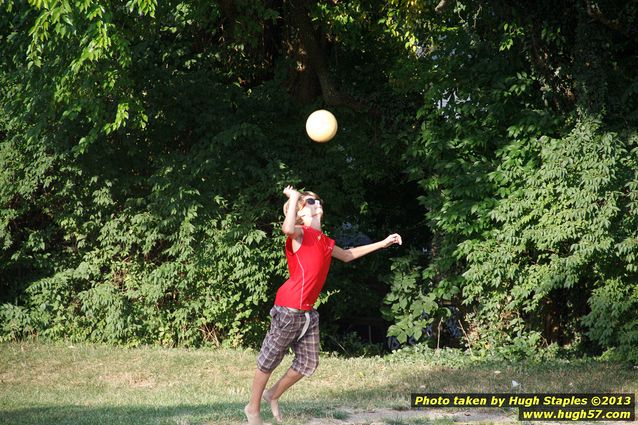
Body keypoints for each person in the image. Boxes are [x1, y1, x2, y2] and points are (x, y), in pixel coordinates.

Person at [244, 185, 402, 425]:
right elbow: (286, 228)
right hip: (288, 309)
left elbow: (348, 255)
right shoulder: (299, 233)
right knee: (270, 359)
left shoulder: (324, 241)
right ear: (300, 215)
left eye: (316, 201)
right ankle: (252, 409)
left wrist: (382, 243)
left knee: (308, 363)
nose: (316, 203)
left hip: (308, 312)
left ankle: (272, 394)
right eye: (309, 202)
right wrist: (295, 197)